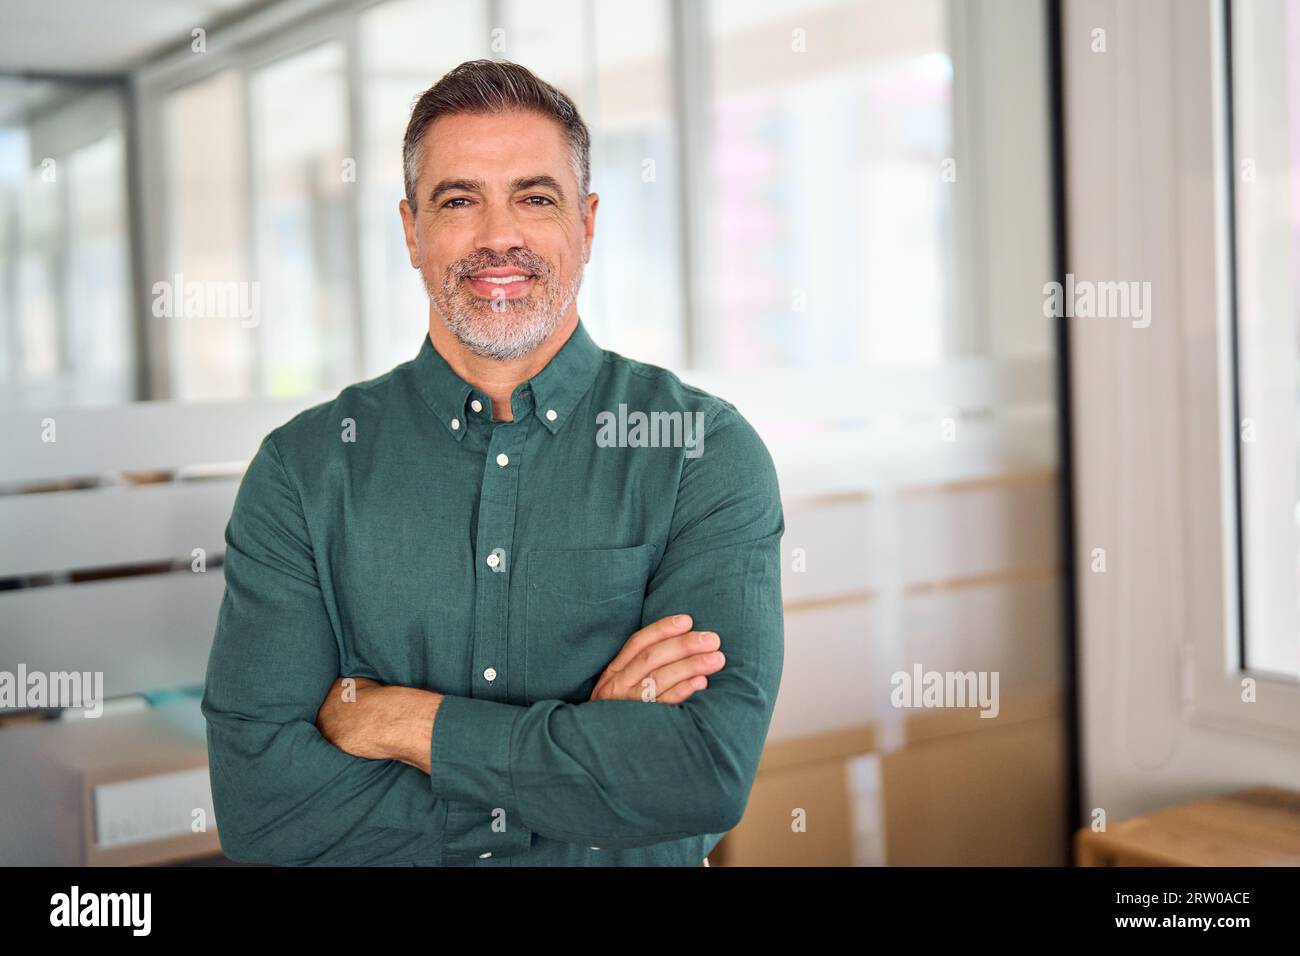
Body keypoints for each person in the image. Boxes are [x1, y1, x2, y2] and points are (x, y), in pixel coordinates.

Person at [201, 59, 784, 866]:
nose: (497, 236)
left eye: (535, 198)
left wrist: (406, 725)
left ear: (587, 223)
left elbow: (699, 774)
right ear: (411, 230)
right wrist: (582, 753)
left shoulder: (700, 453)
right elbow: (265, 816)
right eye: (458, 199)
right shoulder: (304, 472)